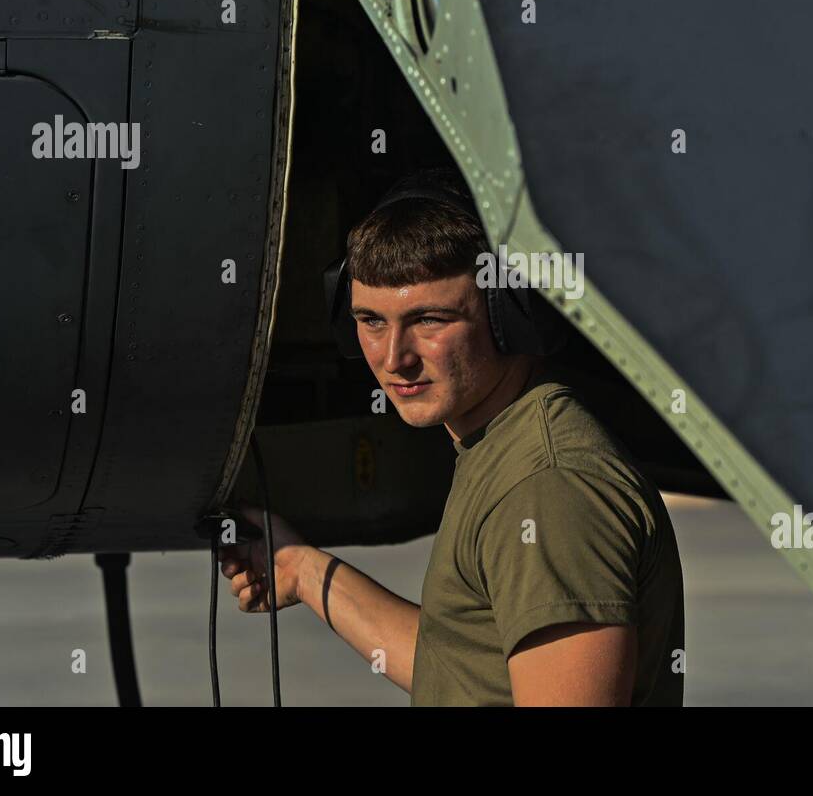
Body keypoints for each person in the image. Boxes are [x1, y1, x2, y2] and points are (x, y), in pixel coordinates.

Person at [220, 168, 685, 706]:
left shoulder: (547, 489)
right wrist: (304, 570)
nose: (395, 358)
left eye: (430, 320)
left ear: (508, 314)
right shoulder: (502, 445)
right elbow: (468, 671)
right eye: (371, 321)